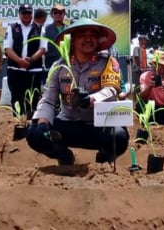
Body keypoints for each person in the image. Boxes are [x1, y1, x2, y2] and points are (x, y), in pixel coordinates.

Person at [27, 18, 128, 165]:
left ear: (98, 40)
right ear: (72, 40)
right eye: (82, 34)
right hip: (67, 123)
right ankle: (65, 157)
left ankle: (104, 159)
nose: (88, 38)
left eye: (92, 35)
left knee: (120, 137)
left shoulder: (108, 62)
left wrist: (91, 99)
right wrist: (43, 122)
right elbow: (48, 99)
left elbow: (111, 90)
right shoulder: (59, 65)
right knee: (34, 134)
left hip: (98, 125)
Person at [4, 3, 47, 116]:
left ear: (32, 14)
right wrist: (19, 61)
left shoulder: (40, 28)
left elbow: (43, 48)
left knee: (32, 100)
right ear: (19, 14)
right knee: (16, 98)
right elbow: (8, 48)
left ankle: (30, 125)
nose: (26, 15)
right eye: (24, 13)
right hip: (15, 70)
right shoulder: (12, 28)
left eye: (29, 13)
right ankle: (18, 123)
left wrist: (31, 59)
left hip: (33, 71)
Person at [138, 50, 164, 125]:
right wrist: (150, 87)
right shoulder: (145, 76)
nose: (154, 66)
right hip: (151, 109)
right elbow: (142, 96)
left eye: (158, 64)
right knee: (139, 104)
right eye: (154, 64)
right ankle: (147, 122)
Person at [43, 3, 69, 72]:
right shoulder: (46, 29)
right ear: (52, 15)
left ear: (64, 14)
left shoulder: (69, 29)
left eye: (60, 13)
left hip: (66, 65)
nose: (58, 15)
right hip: (50, 66)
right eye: (55, 13)